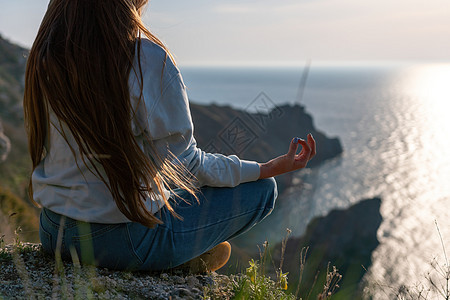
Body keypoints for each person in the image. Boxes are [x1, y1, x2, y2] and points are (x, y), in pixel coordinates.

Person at [23, 0, 316, 272]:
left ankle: (176, 254)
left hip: (54, 231)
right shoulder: (145, 59)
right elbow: (187, 165)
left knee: (164, 190)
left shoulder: (45, 55)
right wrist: (266, 169)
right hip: (117, 243)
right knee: (263, 191)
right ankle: (173, 259)